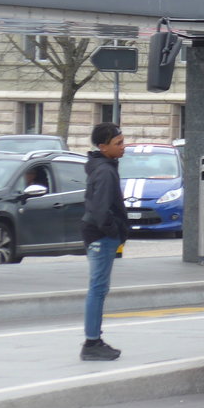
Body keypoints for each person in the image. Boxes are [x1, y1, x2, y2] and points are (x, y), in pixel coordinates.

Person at [80, 122, 128, 361]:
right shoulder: (105, 171)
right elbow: (100, 211)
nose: (123, 147)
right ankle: (91, 343)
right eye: (118, 143)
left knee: (98, 288)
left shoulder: (102, 166)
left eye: (122, 141)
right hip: (101, 236)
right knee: (98, 289)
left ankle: (93, 340)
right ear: (102, 146)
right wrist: (115, 231)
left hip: (97, 235)